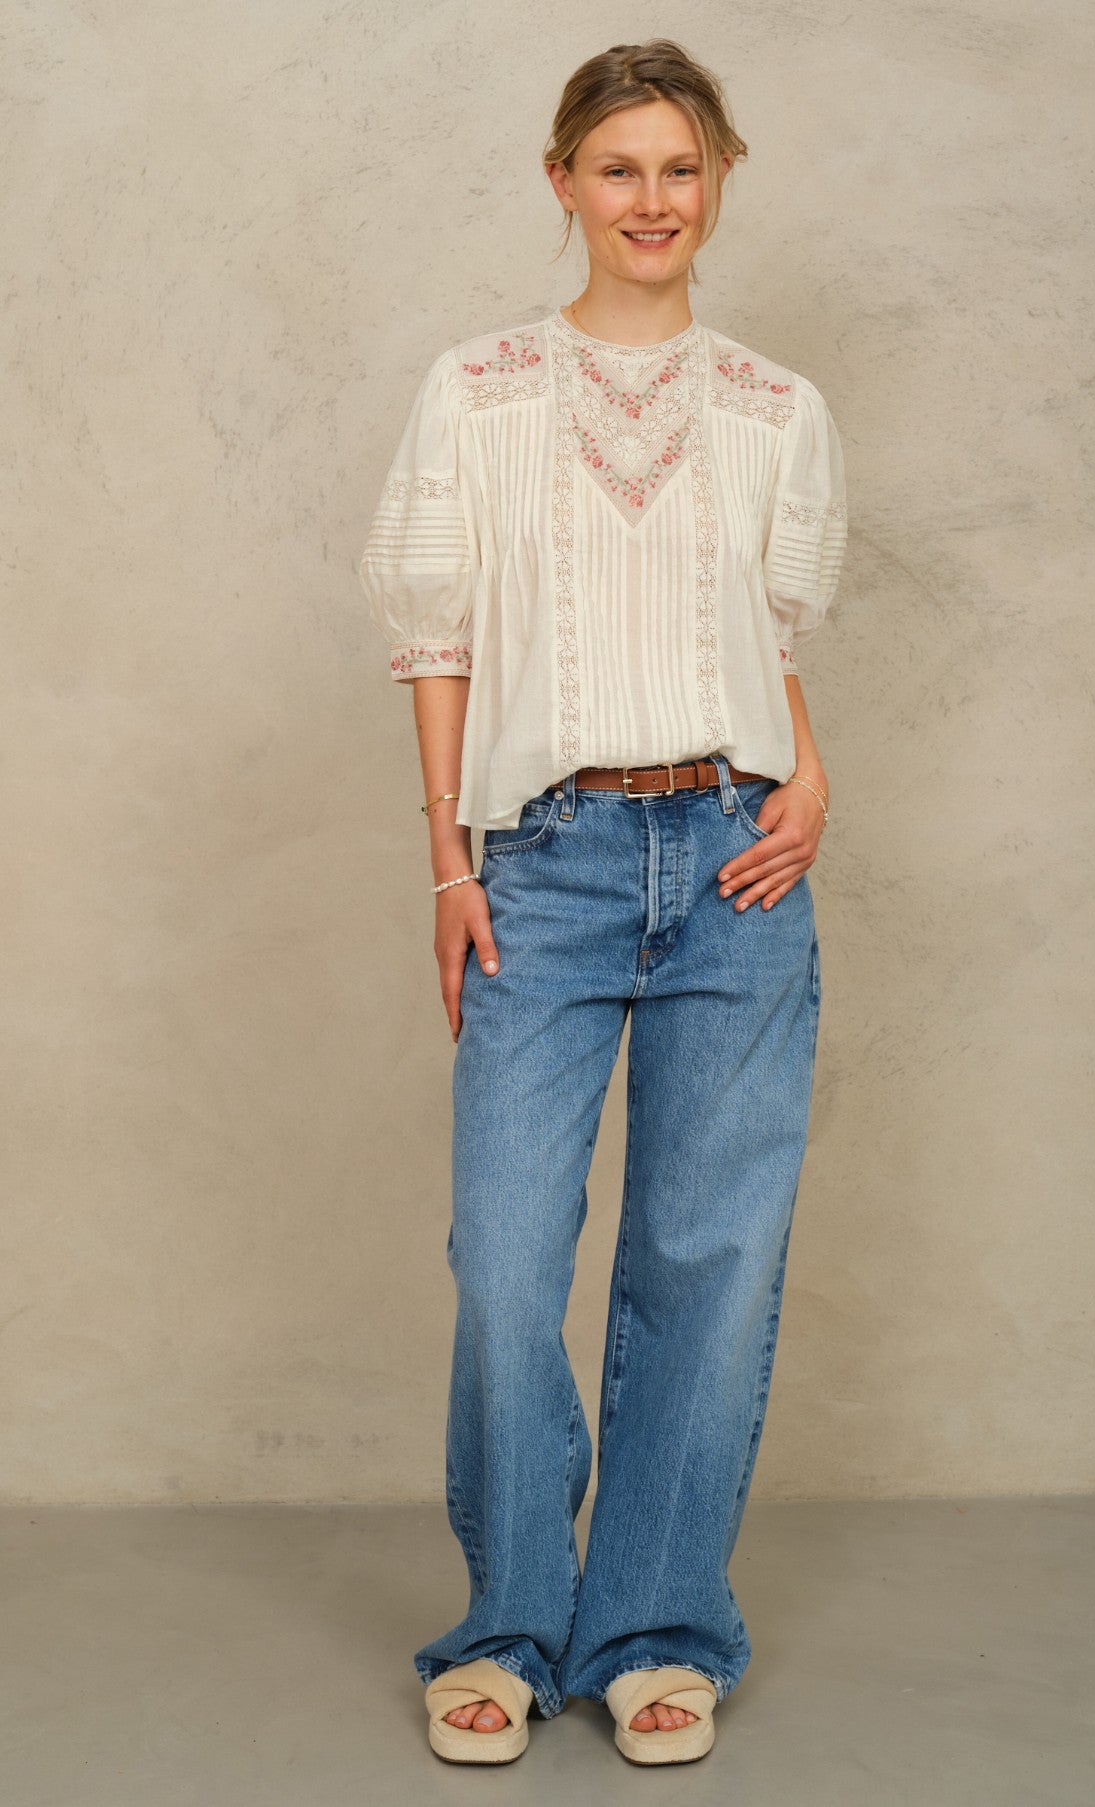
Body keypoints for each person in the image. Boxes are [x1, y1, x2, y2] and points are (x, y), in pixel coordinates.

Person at [357, 38, 848, 1768]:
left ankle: (653, 1628)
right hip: (546, 865)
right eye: (620, 167)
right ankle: (506, 1620)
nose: (653, 200)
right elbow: (437, 638)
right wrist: (450, 860)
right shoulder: (479, 391)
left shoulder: (777, 408)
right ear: (562, 180)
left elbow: (764, 638)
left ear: (720, 180)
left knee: (709, 1262)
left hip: (737, 859)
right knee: (507, 1259)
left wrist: (812, 773)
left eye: (682, 167)